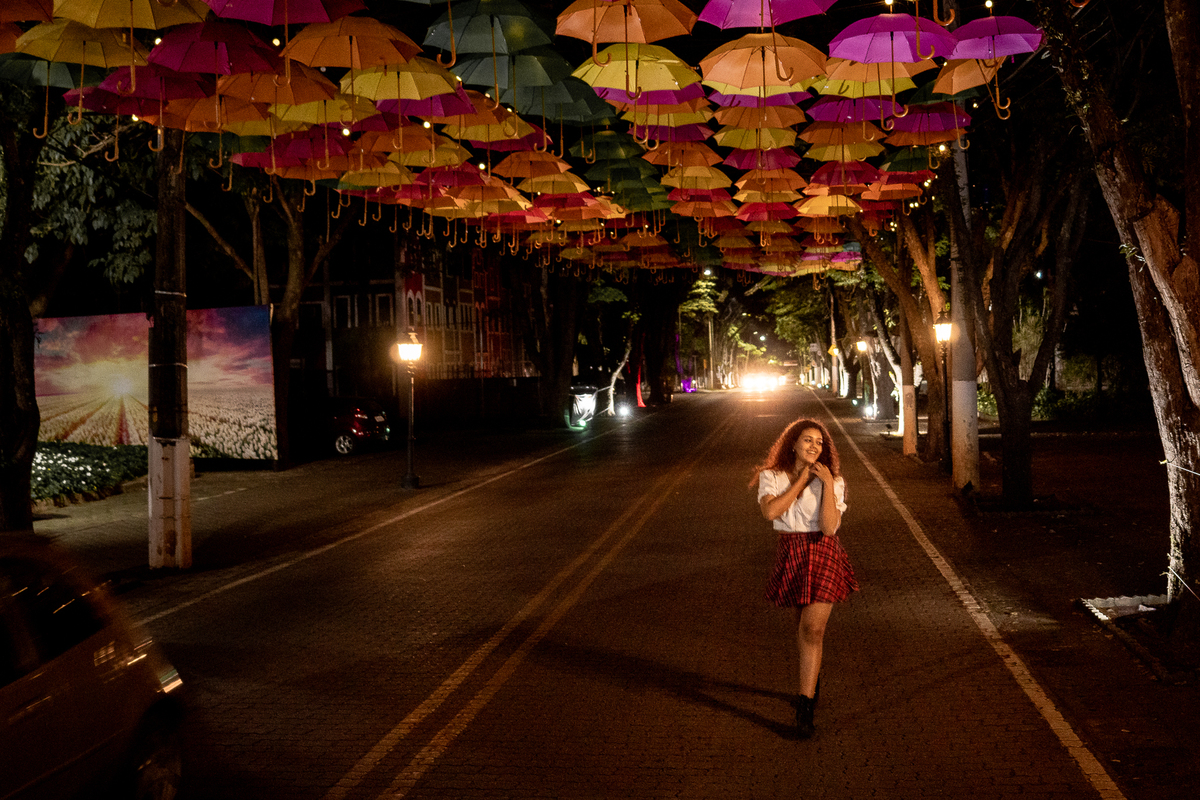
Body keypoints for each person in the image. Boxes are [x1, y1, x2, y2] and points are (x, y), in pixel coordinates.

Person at [751, 417, 858, 739]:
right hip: (792, 551)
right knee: (802, 628)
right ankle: (811, 681)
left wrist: (825, 483)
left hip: (823, 550)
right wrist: (801, 481)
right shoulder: (772, 476)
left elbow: (829, 527)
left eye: (820, 442)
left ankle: (805, 708)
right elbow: (771, 513)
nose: (814, 446)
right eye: (808, 440)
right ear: (793, 443)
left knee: (813, 629)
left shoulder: (835, 481)